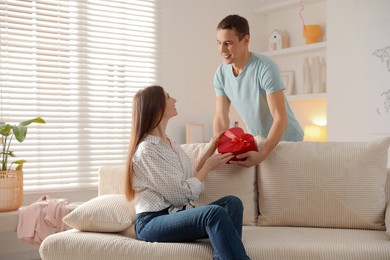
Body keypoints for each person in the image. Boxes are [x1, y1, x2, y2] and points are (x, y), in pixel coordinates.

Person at [124, 85, 250, 260]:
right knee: (214, 213)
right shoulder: (147, 150)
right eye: (168, 97)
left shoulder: (171, 143)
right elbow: (181, 196)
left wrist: (209, 149)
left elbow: (190, 177)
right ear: (156, 105)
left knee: (232, 203)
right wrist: (208, 168)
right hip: (152, 222)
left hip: (176, 215)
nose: (174, 100)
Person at [213, 14, 304, 167]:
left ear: (246, 40)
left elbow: (280, 118)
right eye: (219, 43)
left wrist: (262, 154)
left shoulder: (266, 68)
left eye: (228, 43)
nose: (222, 49)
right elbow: (221, 118)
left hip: (288, 142)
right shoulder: (221, 74)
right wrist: (218, 150)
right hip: (259, 142)